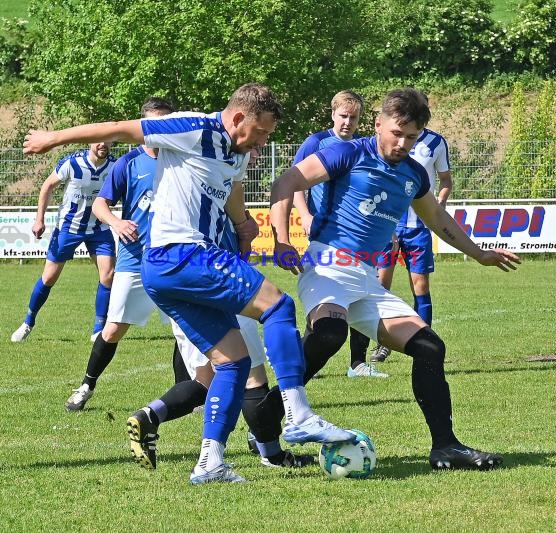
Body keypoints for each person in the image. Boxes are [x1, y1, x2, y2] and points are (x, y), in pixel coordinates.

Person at [23, 83, 353, 485]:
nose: (264, 141)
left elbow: (230, 192)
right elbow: (120, 128)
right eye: (262, 132)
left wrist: (244, 225)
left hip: (166, 272)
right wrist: (51, 139)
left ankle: (210, 463)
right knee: (279, 307)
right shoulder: (195, 127)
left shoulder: (236, 152)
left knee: (232, 362)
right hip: (183, 253)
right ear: (237, 118)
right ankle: (298, 414)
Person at [269, 87, 520, 471]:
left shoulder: (414, 174)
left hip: (367, 278)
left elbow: (436, 218)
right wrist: (282, 239)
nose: (402, 143)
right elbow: (286, 183)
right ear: (378, 123)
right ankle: (267, 422)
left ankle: (446, 447)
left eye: (412, 137)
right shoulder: (347, 152)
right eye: (396, 133)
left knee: (430, 347)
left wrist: (479, 254)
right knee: (329, 334)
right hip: (328, 265)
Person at [126, 150, 314, 470]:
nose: (254, 155)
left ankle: (150, 416)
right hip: (220, 288)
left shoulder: (198, 190)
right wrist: (244, 228)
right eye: (252, 147)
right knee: (251, 377)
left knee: (207, 380)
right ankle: (271, 452)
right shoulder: (211, 190)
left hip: (181, 287)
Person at [64, 97, 176, 411]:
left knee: (185, 328)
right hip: (134, 260)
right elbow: (100, 204)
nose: (157, 130)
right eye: (152, 124)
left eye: (164, 123)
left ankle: (189, 394)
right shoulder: (128, 163)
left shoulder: (183, 158)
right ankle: (86, 385)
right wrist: (116, 221)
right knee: (113, 328)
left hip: (175, 260)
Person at [293, 89, 388, 379]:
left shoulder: (363, 147)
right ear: (332, 114)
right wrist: (305, 215)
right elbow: (295, 182)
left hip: (360, 237)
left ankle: (357, 363)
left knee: (362, 292)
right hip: (326, 236)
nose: (347, 122)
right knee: (326, 296)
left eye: (354, 117)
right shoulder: (317, 142)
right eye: (343, 116)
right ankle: (304, 356)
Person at [355, 112, 454, 363]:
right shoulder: (388, 140)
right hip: (388, 225)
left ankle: (426, 346)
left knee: (420, 286)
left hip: (419, 228)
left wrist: (438, 204)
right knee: (379, 286)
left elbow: (445, 181)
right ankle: (379, 346)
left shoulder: (436, 143)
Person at [11, 142, 116, 343]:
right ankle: (28, 322)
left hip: (99, 228)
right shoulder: (72, 162)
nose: (103, 144)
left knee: (108, 275)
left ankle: (98, 329)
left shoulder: (115, 166)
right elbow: (47, 186)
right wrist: (39, 219)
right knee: (49, 277)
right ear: (90, 142)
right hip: (69, 228)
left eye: (107, 139)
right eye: (98, 140)